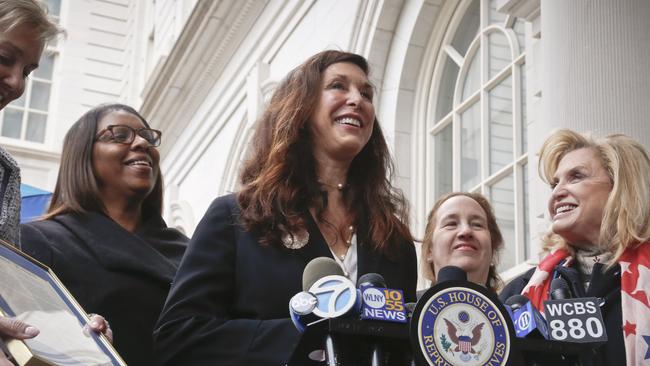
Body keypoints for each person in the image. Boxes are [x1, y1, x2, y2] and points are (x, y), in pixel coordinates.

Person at [153, 50, 417, 365]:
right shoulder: (236, 218)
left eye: (366, 93)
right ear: (300, 109)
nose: (357, 99)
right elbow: (178, 335)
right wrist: (307, 338)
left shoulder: (392, 239)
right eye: (338, 86)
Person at [19, 103, 188, 366]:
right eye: (120, 135)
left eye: (147, 136)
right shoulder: (38, 241)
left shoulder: (189, 250)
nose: (142, 143)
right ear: (83, 154)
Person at [0, 1, 109, 363]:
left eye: (29, 70)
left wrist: (77, 336)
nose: (17, 83)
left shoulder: (6, 173)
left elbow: (7, 295)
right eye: (4, 58)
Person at [500, 129, 650, 366]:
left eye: (576, 176)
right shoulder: (519, 293)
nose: (557, 193)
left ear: (621, 187)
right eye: (554, 183)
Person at [420, 192, 504, 293]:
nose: (466, 231)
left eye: (477, 225)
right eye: (451, 223)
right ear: (429, 249)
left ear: (492, 248)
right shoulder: (405, 308)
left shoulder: (513, 308)